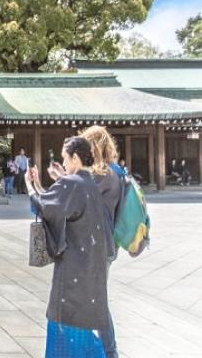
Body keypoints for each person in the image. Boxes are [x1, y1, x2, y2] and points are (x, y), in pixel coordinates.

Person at [26, 137, 112, 357]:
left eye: (65, 158)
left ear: (75, 157)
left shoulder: (72, 184)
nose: (63, 164)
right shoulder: (90, 183)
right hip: (90, 270)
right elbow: (60, 203)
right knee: (83, 334)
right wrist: (51, 182)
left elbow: (45, 206)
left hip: (72, 273)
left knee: (66, 333)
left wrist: (29, 185)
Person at [80, 125, 124, 358]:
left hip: (98, 243)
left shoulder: (103, 174)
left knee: (96, 299)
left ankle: (109, 351)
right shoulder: (116, 170)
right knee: (94, 297)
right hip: (106, 242)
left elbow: (80, 197)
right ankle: (103, 349)